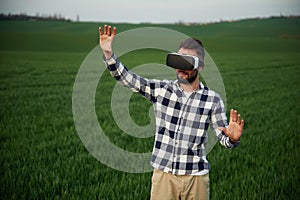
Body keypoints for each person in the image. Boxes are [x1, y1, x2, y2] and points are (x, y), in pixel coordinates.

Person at [99, 24, 244, 200]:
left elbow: (224, 139)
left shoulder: (212, 100)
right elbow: (128, 79)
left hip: (196, 179)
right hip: (164, 177)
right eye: (178, 59)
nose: (181, 66)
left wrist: (232, 139)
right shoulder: (162, 90)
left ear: (200, 67)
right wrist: (109, 54)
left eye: (188, 61)